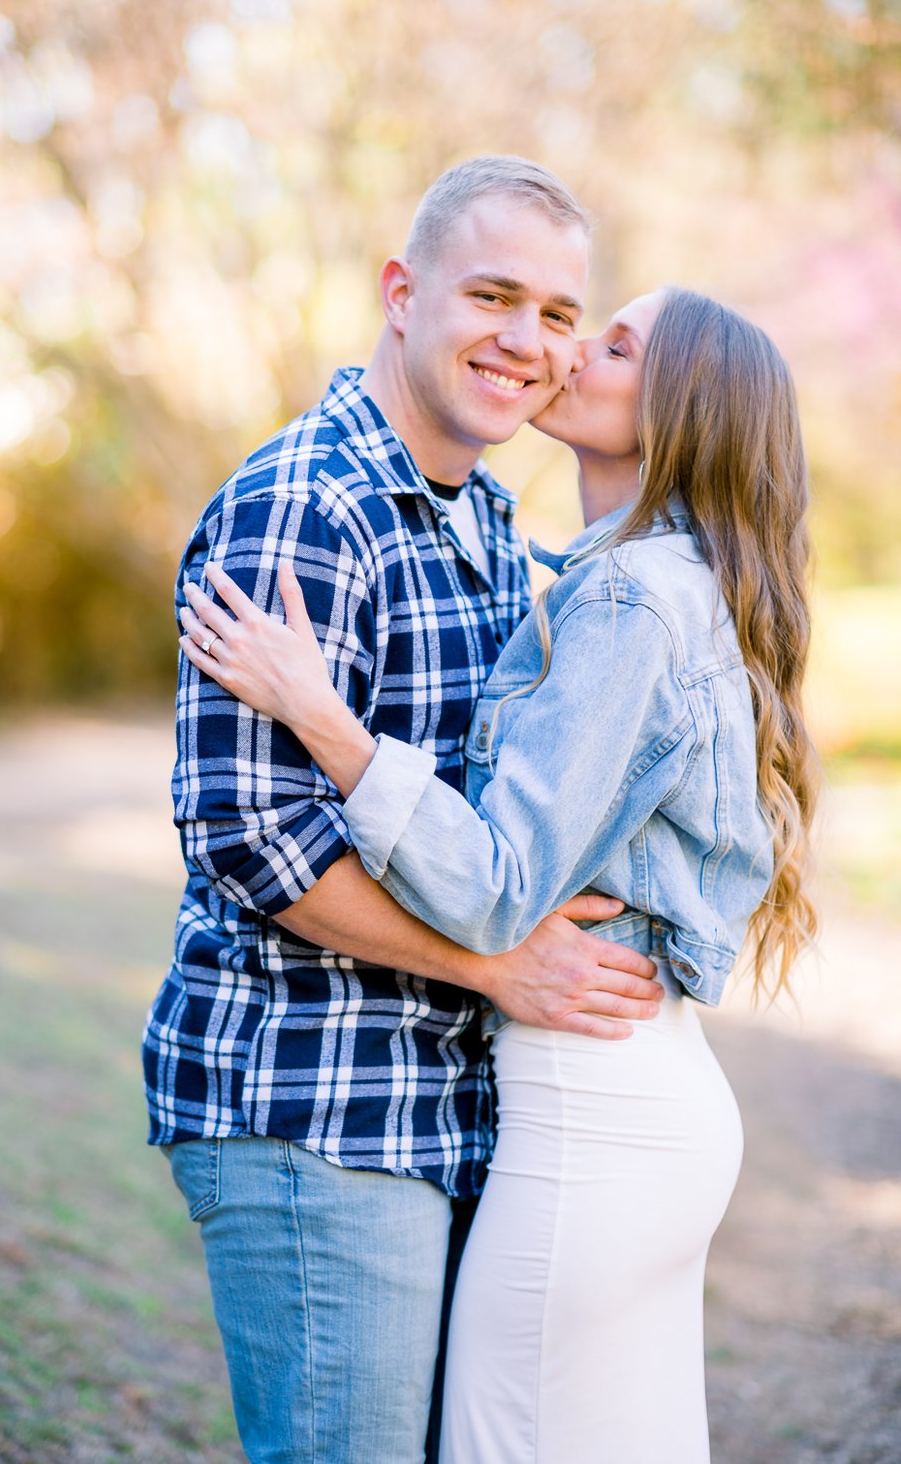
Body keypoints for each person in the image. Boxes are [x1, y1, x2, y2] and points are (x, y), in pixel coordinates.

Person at [179, 285, 821, 1463]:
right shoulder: (605, 574)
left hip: (594, 1110)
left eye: (611, 340)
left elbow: (494, 886)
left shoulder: (632, 598)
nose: (568, 349)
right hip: (630, 1092)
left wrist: (329, 724)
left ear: (679, 407)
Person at [144, 156, 666, 1464]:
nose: (527, 342)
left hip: (443, 1114)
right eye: (492, 295)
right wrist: (499, 966)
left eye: (560, 314)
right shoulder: (300, 505)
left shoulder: (492, 522)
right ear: (401, 291)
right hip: (314, 1103)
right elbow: (252, 839)